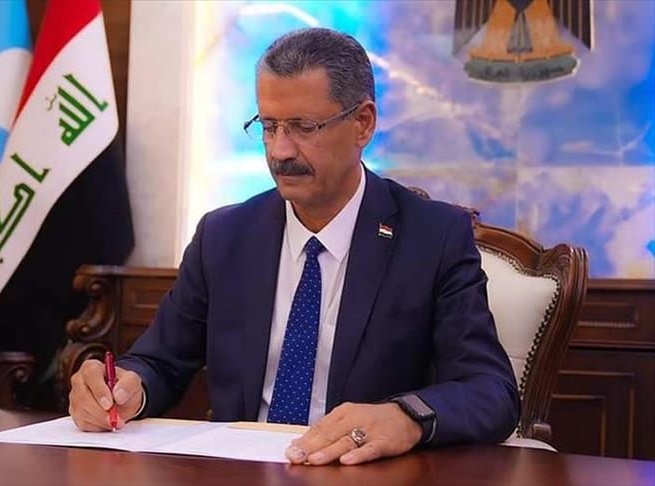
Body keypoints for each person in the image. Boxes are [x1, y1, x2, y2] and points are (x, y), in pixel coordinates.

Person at [69, 27, 519, 466]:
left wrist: (405, 417)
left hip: (360, 473)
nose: (280, 151)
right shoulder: (224, 236)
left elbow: (491, 391)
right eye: (269, 126)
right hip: (239, 473)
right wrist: (124, 389)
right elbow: (159, 361)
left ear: (363, 123)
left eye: (303, 127)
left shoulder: (432, 237)